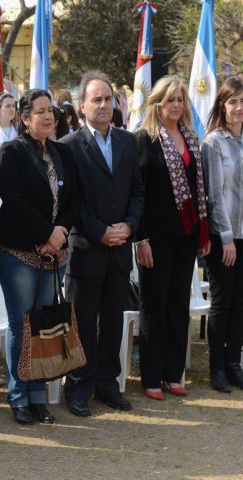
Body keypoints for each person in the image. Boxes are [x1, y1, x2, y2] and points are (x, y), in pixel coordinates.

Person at [60, 71, 144, 416]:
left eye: (108, 99)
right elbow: (73, 203)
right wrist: (100, 232)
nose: (104, 105)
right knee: (82, 323)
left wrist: (129, 226)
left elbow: (138, 191)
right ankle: (79, 388)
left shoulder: (128, 142)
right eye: (96, 99)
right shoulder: (69, 145)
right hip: (87, 250)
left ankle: (108, 385)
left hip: (120, 250)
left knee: (112, 322)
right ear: (83, 106)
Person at [0, 89, 79, 425]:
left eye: (51, 111)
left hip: (54, 256)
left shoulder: (61, 152)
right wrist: (46, 233)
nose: (48, 117)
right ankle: (18, 396)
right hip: (18, 252)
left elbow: (74, 198)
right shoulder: (12, 151)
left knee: (45, 325)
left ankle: (38, 397)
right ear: (25, 117)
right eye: (40, 111)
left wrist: (59, 234)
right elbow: (13, 201)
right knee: (22, 325)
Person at [135, 75, 210, 400]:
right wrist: (141, 238)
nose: (176, 105)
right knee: (155, 305)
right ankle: (151, 376)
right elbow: (137, 192)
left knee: (179, 304)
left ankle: (173, 373)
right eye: (170, 100)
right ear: (157, 103)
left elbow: (198, 189)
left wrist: (203, 231)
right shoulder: (145, 140)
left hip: (187, 235)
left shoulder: (192, 138)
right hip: (156, 236)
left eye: (180, 99)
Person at [202, 77, 243, 392]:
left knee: (240, 304)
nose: (239, 107)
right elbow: (214, 196)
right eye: (233, 101)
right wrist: (226, 237)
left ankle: (233, 364)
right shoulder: (214, 143)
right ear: (222, 105)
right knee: (222, 302)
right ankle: (216, 368)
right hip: (223, 238)